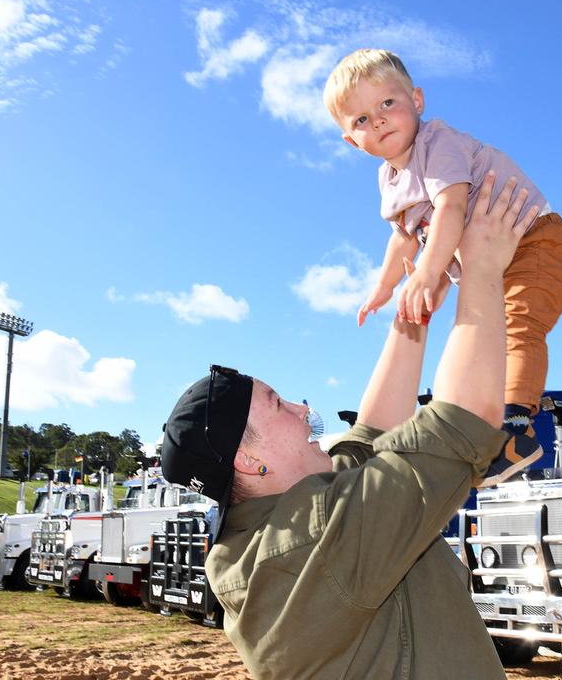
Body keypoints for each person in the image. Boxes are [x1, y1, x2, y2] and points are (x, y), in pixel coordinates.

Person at [162, 174, 537, 679]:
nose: (300, 408)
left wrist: (420, 295)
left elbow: (371, 432)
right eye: (276, 404)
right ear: (248, 461)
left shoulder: (284, 522)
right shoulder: (306, 548)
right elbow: (461, 422)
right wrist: (483, 267)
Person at [324, 48, 562, 487]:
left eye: (388, 103)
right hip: (494, 261)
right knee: (484, 339)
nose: (380, 120)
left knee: (518, 325)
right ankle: (479, 426)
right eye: (362, 120)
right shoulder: (389, 180)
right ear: (353, 142)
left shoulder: (436, 142)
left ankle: (517, 430)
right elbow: (403, 237)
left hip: (539, 240)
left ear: (418, 101)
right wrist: (384, 287)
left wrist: (428, 271)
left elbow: (450, 205)